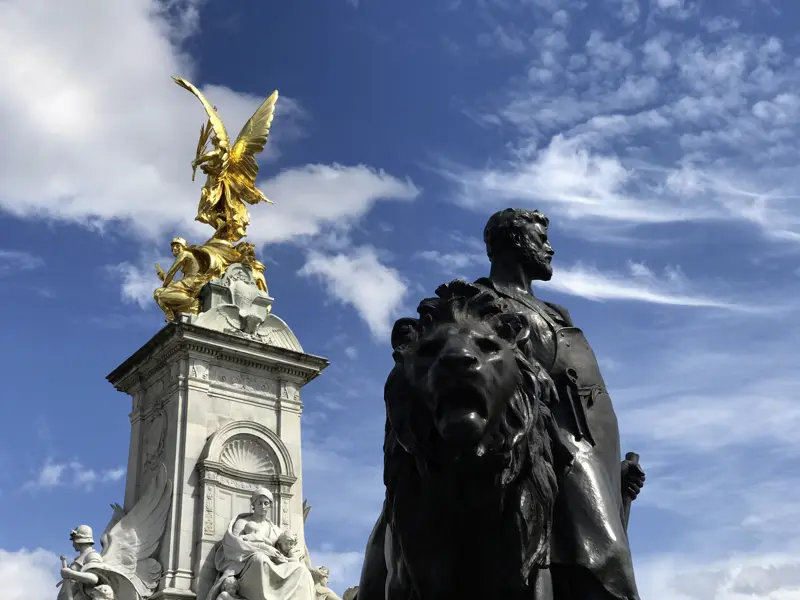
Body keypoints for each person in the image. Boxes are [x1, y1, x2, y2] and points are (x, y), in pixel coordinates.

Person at [474, 208, 645, 600]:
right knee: (606, 565)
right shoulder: (485, 302)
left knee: (596, 565)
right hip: (552, 447)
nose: (550, 250)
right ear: (516, 242)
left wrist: (615, 477)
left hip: (591, 451)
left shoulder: (556, 312)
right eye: (541, 240)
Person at [210, 488, 316, 600]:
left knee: (300, 569)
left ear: (270, 505)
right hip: (247, 564)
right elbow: (235, 545)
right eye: (259, 503)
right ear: (253, 504)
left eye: (266, 503)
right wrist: (264, 548)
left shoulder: (275, 529)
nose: (263, 506)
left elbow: (284, 548)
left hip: (275, 563)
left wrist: (290, 554)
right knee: (260, 559)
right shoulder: (243, 522)